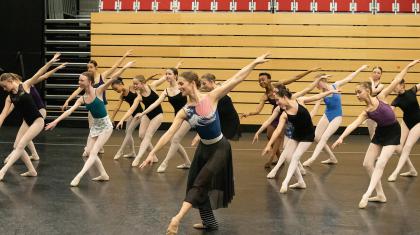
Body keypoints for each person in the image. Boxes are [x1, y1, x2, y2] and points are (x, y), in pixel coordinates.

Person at [139, 53, 270, 234]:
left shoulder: (211, 97)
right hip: (204, 149)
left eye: (182, 84)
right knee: (195, 183)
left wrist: (254, 63)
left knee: (200, 183)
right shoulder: (185, 111)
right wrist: (152, 152)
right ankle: (209, 223)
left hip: (220, 148)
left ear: (192, 83)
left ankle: (176, 219)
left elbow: (237, 78)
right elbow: (169, 134)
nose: (179, 87)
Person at [332, 59, 420, 208]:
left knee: (380, 163)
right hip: (381, 133)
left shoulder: (381, 96)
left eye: (359, 92)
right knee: (367, 163)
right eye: (355, 94)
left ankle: (367, 194)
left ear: (367, 90)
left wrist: (409, 66)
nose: (357, 95)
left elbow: (398, 78)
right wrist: (341, 137)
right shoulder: (366, 112)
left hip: (393, 132)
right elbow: (354, 124)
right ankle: (380, 194)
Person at [45, 61, 135, 186]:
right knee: (88, 151)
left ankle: (78, 176)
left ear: (89, 82)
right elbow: (69, 111)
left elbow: (113, 78)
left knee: (93, 153)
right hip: (95, 126)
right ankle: (104, 174)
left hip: (105, 126)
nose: (79, 82)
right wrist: (55, 121)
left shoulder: (98, 91)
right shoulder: (82, 98)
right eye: (79, 80)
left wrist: (125, 65)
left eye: (82, 80)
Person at [261, 84, 340, 194]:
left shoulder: (300, 100)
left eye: (278, 100)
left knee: (295, 157)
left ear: (284, 97)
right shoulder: (284, 114)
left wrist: (330, 92)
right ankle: (300, 182)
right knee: (288, 156)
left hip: (308, 135)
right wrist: (269, 144)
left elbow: (317, 97)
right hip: (296, 134)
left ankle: (285, 182)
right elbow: (278, 130)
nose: (277, 103)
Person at [242, 68, 321, 167]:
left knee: (279, 137)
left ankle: (271, 159)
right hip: (276, 112)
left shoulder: (278, 84)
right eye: (259, 81)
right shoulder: (265, 96)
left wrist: (310, 71)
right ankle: (280, 157)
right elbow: (258, 110)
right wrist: (248, 113)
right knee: (269, 135)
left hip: (286, 112)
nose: (261, 82)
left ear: (269, 80)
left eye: (263, 79)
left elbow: (295, 77)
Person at [302, 65, 369, 166]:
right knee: (317, 137)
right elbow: (314, 104)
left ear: (323, 81)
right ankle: (332, 158)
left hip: (337, 116)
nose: (316, 85)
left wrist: (360, 69)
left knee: (324, 137)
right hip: (327, 114)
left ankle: (312, 158)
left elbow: (349, 78)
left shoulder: (336, 85)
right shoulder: (321, 93)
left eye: (317, 82)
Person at [387, 79, 420, 182]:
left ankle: (396, 172)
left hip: (418, 122)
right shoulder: (396, 100)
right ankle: (412, 170)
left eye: (395, 84)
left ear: (402, 85)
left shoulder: (412, 91)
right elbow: (388, 112)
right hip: (406, 122)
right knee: (398, 147)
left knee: (407, 146)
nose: (393, 87)